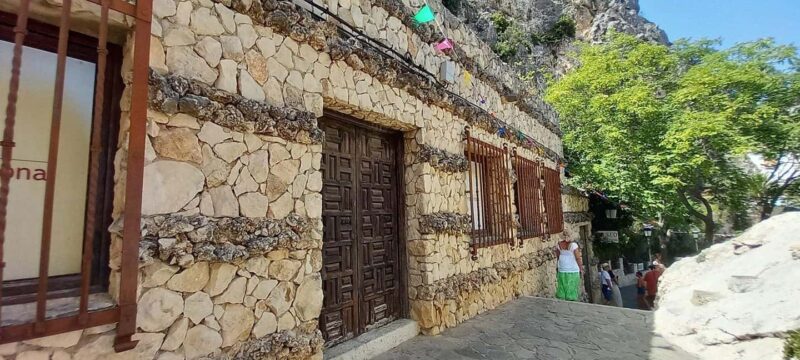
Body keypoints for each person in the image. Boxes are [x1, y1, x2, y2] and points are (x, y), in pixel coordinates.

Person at [554, 235, 583, 301]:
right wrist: (580, 268)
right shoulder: (573, 245)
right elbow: (578, 258)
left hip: (562, 268)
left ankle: (562, 301)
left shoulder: (559, 245)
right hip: (573, 269)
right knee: (572, 286)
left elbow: (558, 256)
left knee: (562, 285)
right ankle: (571, 301)